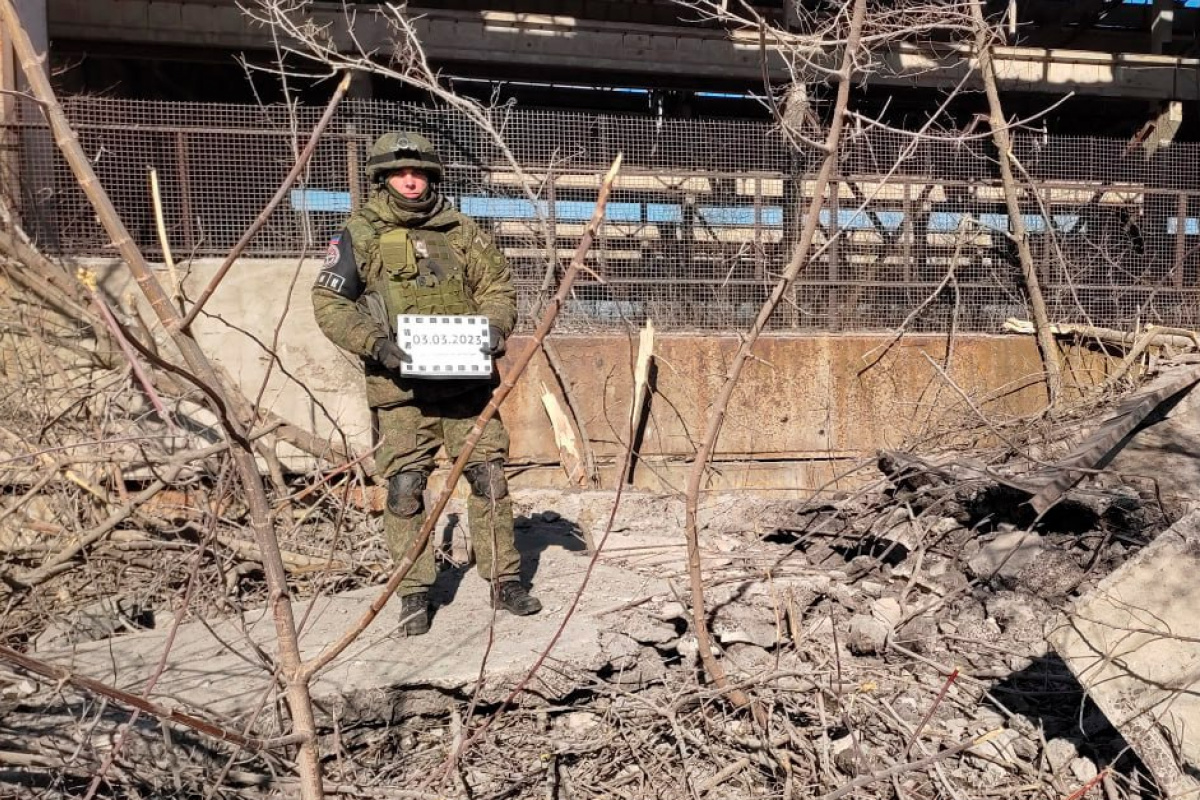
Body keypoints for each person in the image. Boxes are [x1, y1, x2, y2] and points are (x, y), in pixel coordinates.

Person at [311, 131, 541, 636]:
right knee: (404, 489)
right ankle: (414, 591)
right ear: (383, 177)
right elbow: (330, 303)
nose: (411, 181)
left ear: (431, 177)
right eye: (400, 173)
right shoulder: (358, 234)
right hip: (402, 394)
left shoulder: (461, 230)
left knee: (490, 481)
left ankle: (505, 581)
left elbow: (498, 286)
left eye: (419, 173)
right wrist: (377, 345)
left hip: (467, 388)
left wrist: (496, 328)